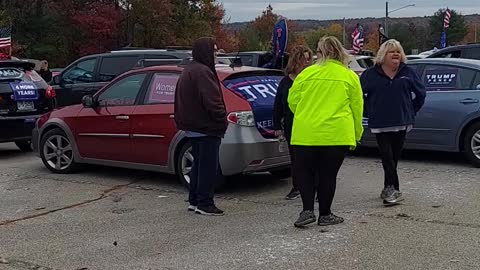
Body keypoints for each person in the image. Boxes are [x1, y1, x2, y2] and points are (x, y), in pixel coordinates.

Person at [288, 36, 364, 227]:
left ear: (319, 53)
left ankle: (306, 211)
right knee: (328, 175)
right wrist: (356, 133)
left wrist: (307, 115)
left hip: (306, 133)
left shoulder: (305, 74)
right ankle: (325, 214)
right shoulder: (349, 76)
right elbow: (357, 108)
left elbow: (292, 102)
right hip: (336, 134)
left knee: (305, 173)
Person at [360, 39, 426, 206]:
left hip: (402, 121)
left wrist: (411, 110)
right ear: (383, 55)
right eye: (392, 51)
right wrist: (369, 111)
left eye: (398, 51)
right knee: (386, 156)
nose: (396, 54)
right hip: (380, 122)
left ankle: (389, 187)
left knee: (394, 157)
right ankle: (393, 189)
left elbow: (421, 94)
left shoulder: (408, 72)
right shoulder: (370, 74)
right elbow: (359, 95)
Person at [174, 37, 227, 216]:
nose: (217, 53)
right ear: (206, 51)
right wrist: (222, 119)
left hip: (194, 127)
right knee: (208, 167)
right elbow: (212, 102)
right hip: (206, 127)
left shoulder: (189, 70)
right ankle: (205, 203)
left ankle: (195, 200)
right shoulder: (203, 72)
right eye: (214, 50)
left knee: (198, 164)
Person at [273, 45, 313, 200]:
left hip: (309, 125)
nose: (307, 63)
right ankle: (297, 187)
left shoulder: (311, 79)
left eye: (309, 59)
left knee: (311, 159)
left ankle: (314, 187)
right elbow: (278, 104)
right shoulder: (285, 81)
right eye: (305, 59)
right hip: (291, 125)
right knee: (295, 160)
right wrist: (276, 125)